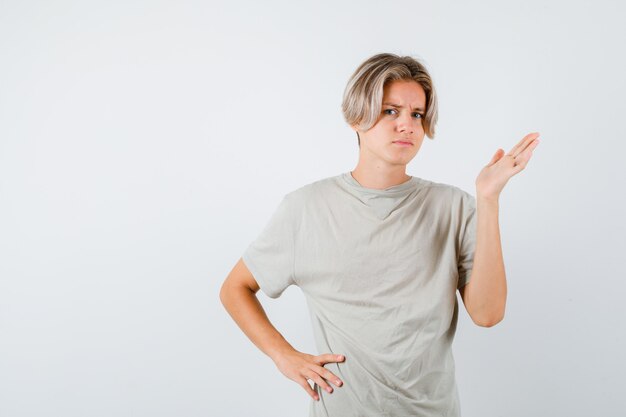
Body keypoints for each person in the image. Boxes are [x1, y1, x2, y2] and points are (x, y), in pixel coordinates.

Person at [219, 52, 540, 417]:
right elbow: (235, 288)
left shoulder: (454, 207)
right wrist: (284, 356)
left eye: (416, 114)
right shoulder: (305, 208)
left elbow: (487, 314)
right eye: (391, 111)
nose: (407, 125)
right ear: (357, 117)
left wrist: (488, 199)